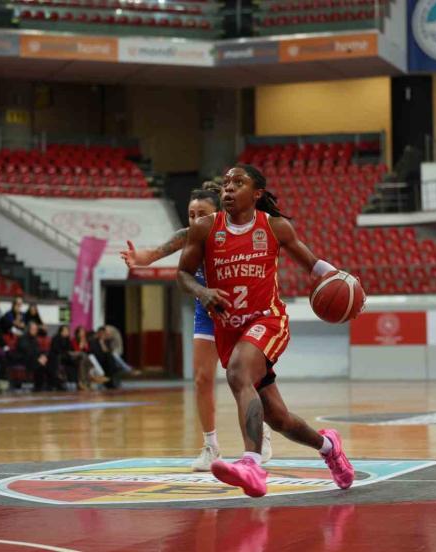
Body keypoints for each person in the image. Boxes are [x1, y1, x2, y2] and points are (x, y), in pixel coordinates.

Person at [177, 164, 356, 497]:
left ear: (257, 194)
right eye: (226, 183)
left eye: (238, 183)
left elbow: (315, 267)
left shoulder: (274, 227)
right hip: (229, 330)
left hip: (267, 321)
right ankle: (329, 447)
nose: (229, 188)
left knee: (237, 373)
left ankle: (251, 465)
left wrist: (347, 284)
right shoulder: (204, 228)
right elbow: (183, 274)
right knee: (279, 418)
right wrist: (202, 292)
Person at [122, 182, 271, 471]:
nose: (195, 220)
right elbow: (157, 252)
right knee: (202, 379)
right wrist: (141, 258)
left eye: (201, 214)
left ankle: (260, 432)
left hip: (242, 311)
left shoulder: (240, 233)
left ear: (219, 214)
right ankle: (211, 447)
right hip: (207, 312)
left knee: (245, 378)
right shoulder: (190, 236)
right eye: (191, 215)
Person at [17, 321, 56, 391]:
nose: (35, 331)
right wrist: (39, 358)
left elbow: (37, 350)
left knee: (51, 359)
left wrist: (43, 356)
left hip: (34, 358)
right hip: (25, 359)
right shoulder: (23, 338)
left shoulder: (34, 339)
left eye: (36, 329)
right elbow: (26, 351)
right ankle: (39, 386)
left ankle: (51, 385)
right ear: (28, 329)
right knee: (40, 363)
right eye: (33, 329)